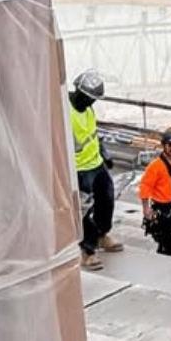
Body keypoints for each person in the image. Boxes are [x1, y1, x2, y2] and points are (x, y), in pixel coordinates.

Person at [69, 70, 123, 271]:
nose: (92, 103)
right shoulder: (64, 112)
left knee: (107, 199)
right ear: (80, 93)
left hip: (96, 164)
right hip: (78, 170)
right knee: (82, 212)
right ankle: (87, 251)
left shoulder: (88, 110)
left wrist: (104, 152)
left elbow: (93, 134)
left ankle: (102, 235)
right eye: (90, 98)